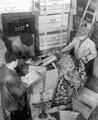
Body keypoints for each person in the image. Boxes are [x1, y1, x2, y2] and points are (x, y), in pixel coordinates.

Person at [0, 51, 32, 120]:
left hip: (7, 98)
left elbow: (10, 85)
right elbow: (17, 94)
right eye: (17, 60)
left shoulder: (3, 68)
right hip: (15, 104)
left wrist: (20, 79)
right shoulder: (9, 77)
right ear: (15, 62)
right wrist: (24, 83)